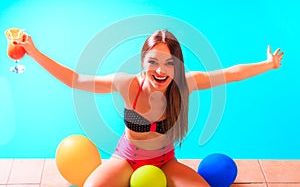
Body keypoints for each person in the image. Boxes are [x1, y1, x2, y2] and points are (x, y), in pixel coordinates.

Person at [15, 30, 283, 187]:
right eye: (153, 61)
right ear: (143, 60)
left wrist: (267, 64)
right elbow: (76, 80)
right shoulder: (127, 85)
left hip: (165, 161)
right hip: (125, 160)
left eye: (169, 63)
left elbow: (229, 74)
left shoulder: (184, 83)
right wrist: (34, 52)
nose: (160, 70)